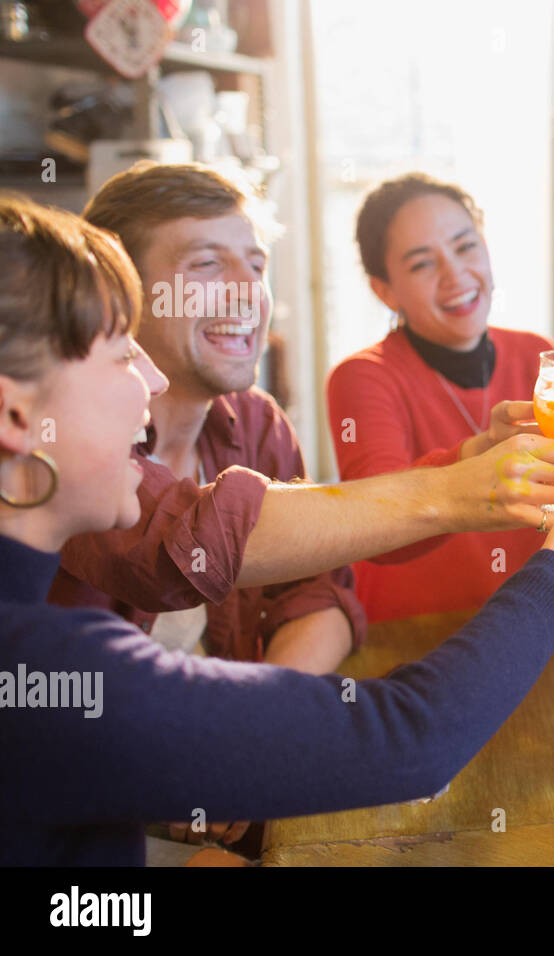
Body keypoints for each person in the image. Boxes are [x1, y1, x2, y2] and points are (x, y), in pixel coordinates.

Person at [0, 195, 554, 865]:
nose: (147, 382)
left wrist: (247, 741)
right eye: (120, 355)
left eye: (258, 264)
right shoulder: (45, 666)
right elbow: (409, 739)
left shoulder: (249, 427)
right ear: (15, 419)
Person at [46, 162, 361, 675]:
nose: (248, 292)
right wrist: (449, 493)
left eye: (256, 266)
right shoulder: (68, 434)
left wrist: (255, 723)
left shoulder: (257, 421)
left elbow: (314, 590)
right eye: (208, 264)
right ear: (118, 294)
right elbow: (167, 549)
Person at [327, 173, 554, 622]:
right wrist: (479, 452)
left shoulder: (537, 355)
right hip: (416, 638)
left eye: (465, 246)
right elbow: (378, 523)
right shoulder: (362, 377)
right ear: (385, 291)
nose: (455, 275)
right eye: (421, 264)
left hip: (541, 621)